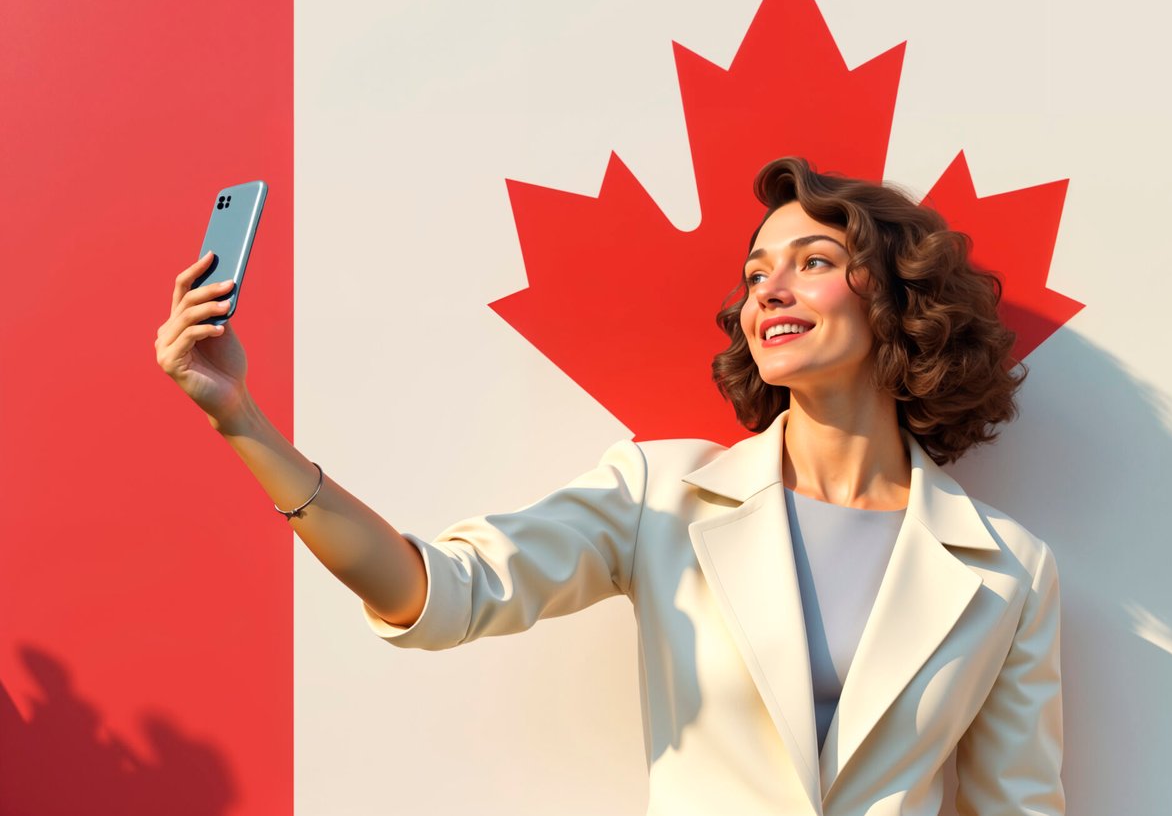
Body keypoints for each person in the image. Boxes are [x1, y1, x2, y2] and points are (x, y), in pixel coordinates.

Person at [155, 155, 1066, 815]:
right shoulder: (661, 492)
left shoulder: (1008, 570)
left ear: (900, 299)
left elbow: (1017, 809)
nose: (769, 292)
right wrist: (241, 422)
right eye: (755, 275)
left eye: (813, 263)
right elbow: (436, 594)